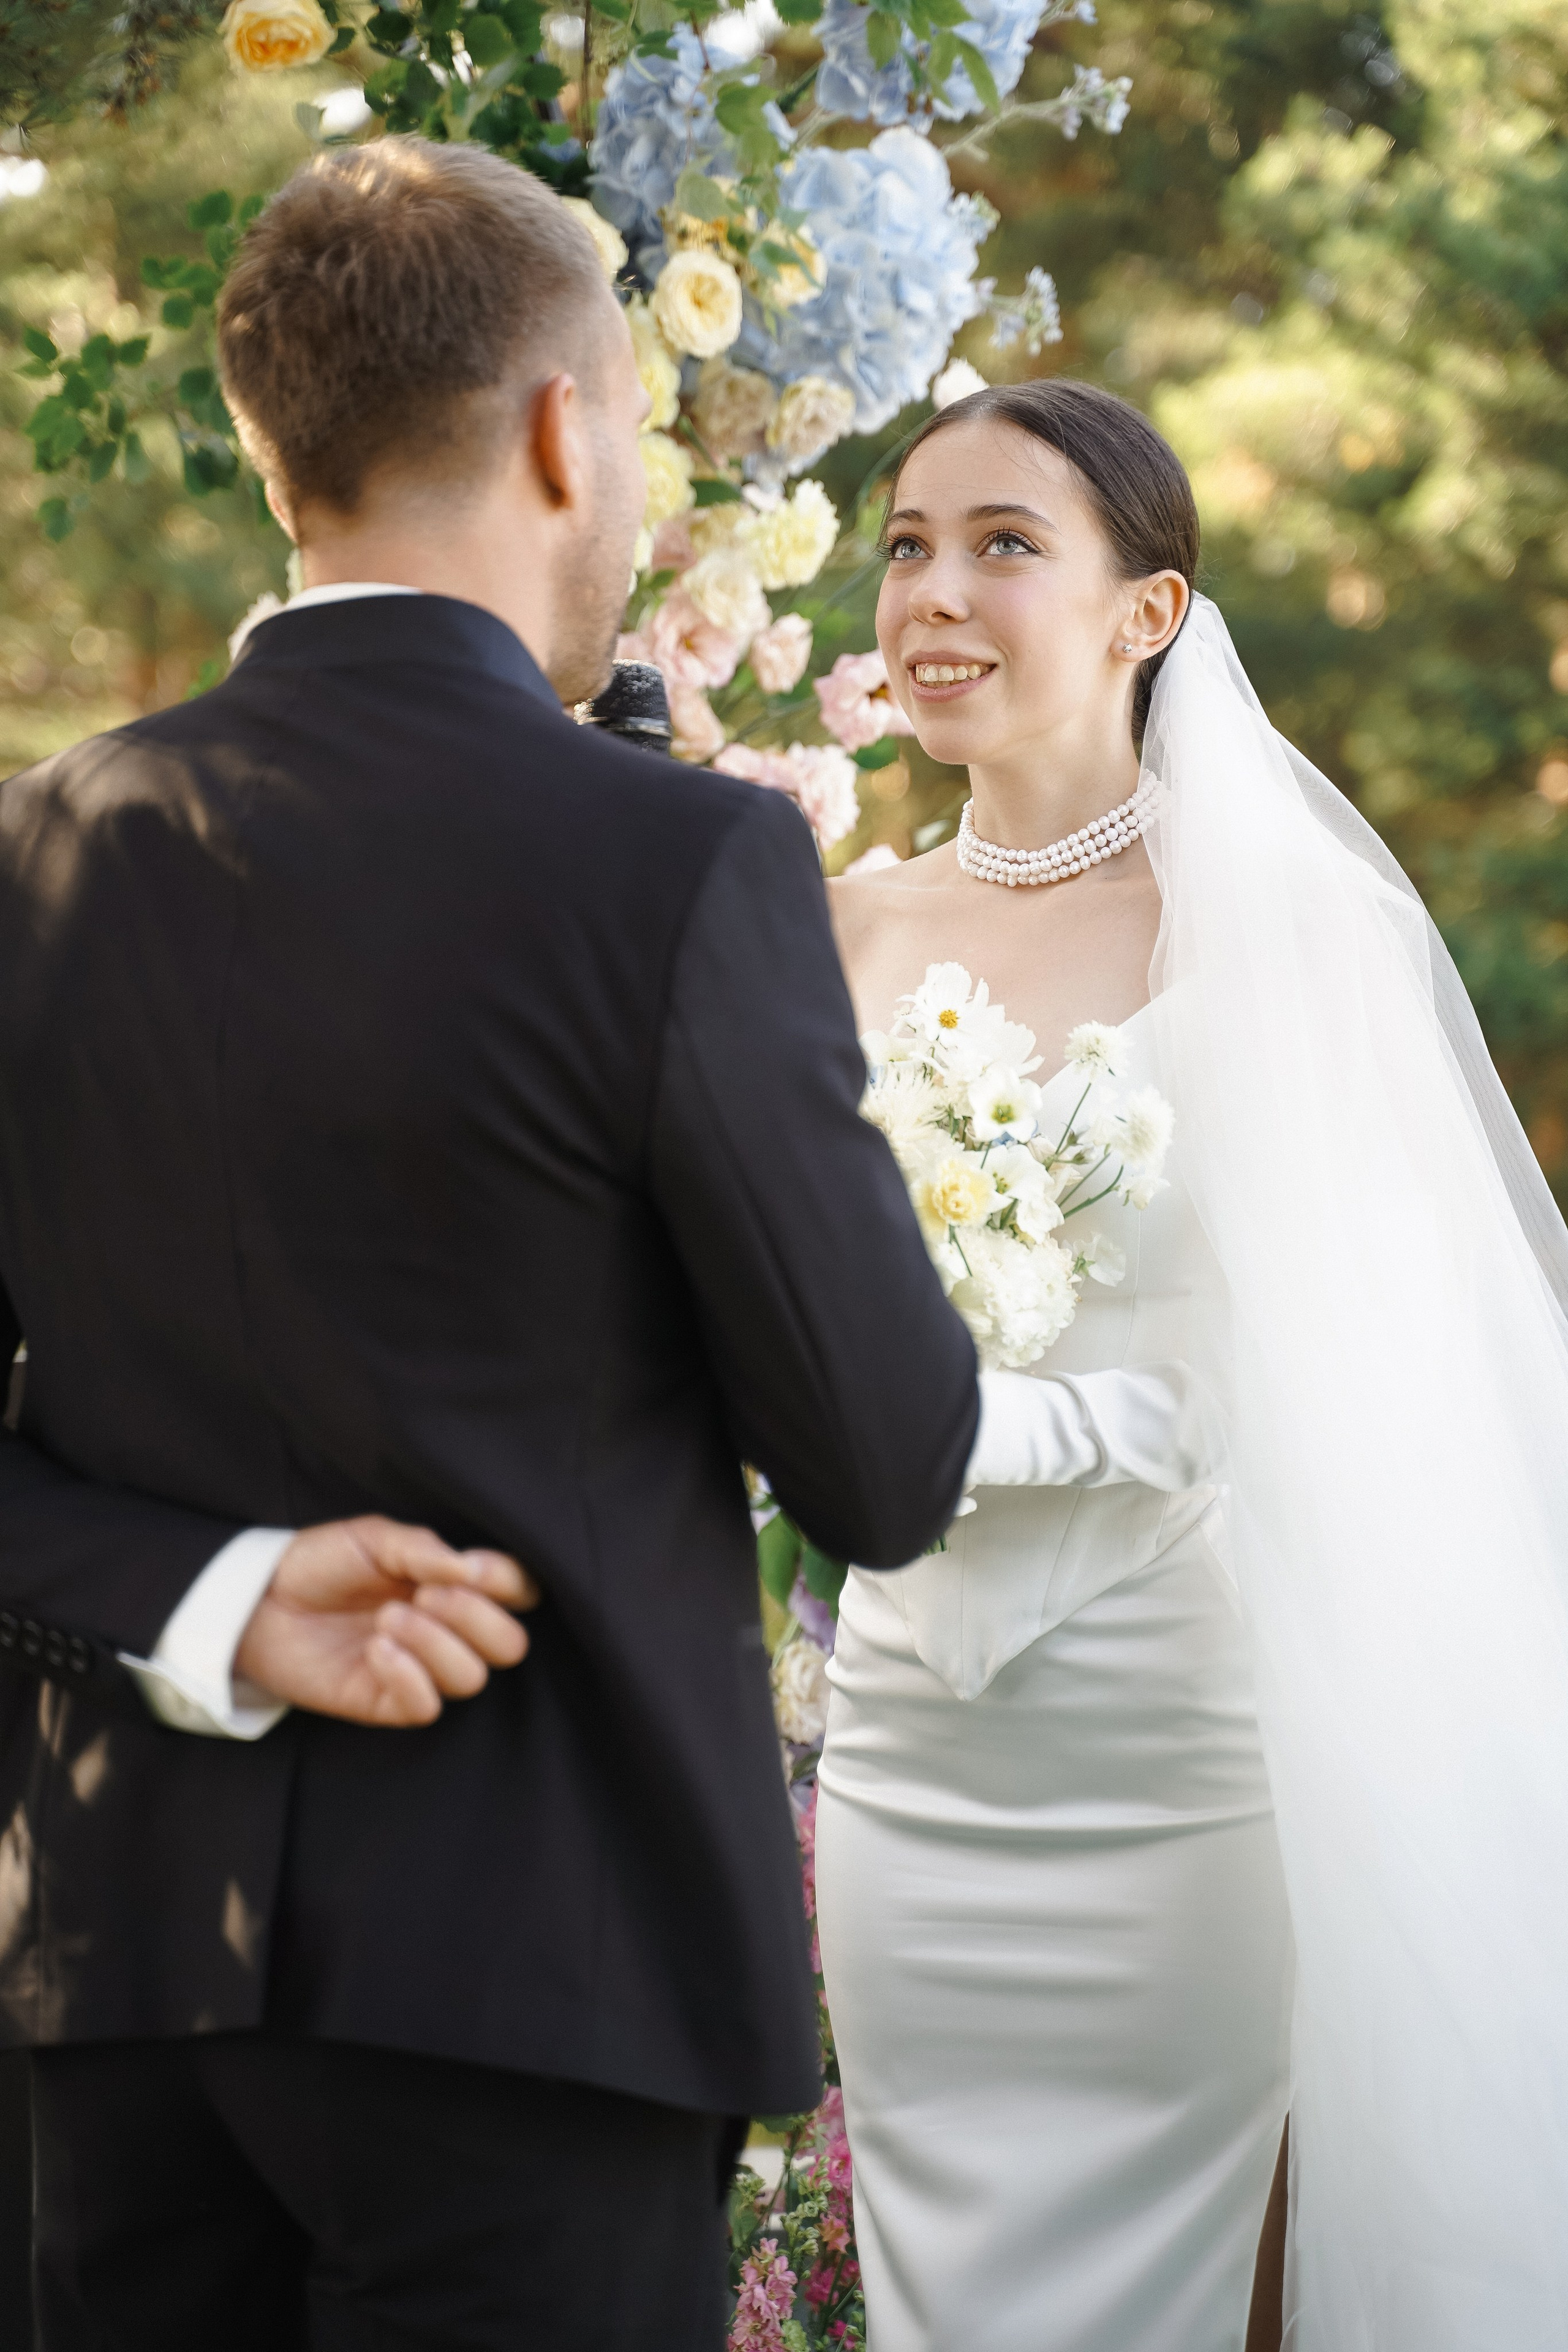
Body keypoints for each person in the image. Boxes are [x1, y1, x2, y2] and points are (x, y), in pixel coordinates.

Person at [0, 138, 979, 2351]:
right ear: (564, 425)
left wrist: (216, 1598)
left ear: (276, 451)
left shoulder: (26, 856)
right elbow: (890, 1462)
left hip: (124, 1998)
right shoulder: (677, 870)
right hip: (551, 1986)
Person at [813, 379, 1568, 2352]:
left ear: (1151, 614)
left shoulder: (1288, 927)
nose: (935, 594)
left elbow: (1355, 1364)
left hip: (1165, 1748)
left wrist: (994, 1419)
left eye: (1003, 546)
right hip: (910, 1734)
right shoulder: (830, 928)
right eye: (907, 545)